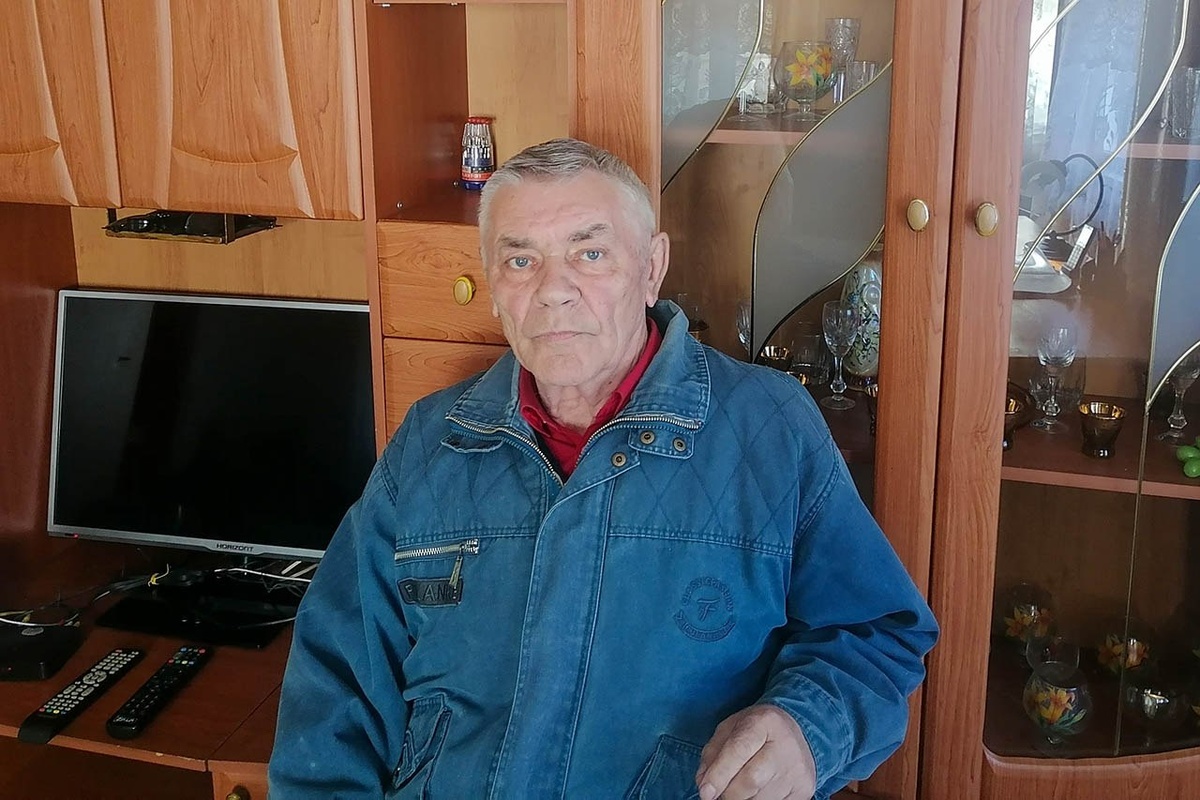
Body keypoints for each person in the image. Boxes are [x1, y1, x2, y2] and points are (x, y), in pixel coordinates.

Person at [268, 138, 938, 799]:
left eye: (589, 254)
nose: (553, 291)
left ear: (651, 268)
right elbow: (335, 688)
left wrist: (807, 730)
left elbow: (876, 633)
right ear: (493, 285)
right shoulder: (431, 442)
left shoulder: (771, 427)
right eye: (521, 260)